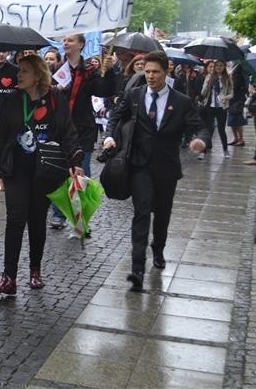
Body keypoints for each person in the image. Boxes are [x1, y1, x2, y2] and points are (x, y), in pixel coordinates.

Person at [103, 51, 208, 291]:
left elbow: (199, 127)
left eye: (155, 72)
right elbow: (115, 118)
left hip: (167, 167)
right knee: (141, 212)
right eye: (147, 71)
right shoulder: (134, 96)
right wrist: (109, 137)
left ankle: (158, 248)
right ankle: (137, 269)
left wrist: (200, 141)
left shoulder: (181, 101)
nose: (150, 76)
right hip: (139, 165)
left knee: (162, 214)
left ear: (166, 72)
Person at [0, 55, 83, 295]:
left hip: (45, 171)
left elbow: (67, 131)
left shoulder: (54, 98)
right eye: (19, 71)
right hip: (16, 170)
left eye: (25, 72)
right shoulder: (11, 100)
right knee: (15, 219)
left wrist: (75, 159)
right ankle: (8, 277)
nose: (19, 75)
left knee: (37, 221)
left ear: (38, 75)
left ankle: (35, 271)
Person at [50, 33, 115, 230]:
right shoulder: (55, 68)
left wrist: (109, 72)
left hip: (82, 129)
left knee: (81, 172)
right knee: (58, 171)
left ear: (81, 45)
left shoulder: (90, 70)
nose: (66, 43)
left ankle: (80, 215)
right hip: (60, 128)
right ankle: (58, 213)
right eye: (64, 40)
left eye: (70, 40)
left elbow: (103, 91)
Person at [198, 59, 233, 158]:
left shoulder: (227, 78)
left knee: (221, 130)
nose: (218, 67)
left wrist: (225, 97)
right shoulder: (209, 77)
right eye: (216, 66)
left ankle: (225, 150)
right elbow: (203, 93)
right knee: (207, 130)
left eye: (221, 65)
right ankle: (203, 151)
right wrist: (208, 84)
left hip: (222, 107)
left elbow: (231, 93)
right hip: (210, 106)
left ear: (224, 67)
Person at [227, 62, 249, 147]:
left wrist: (229, 78)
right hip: (235, 100)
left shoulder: (238, 75)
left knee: (237, 121)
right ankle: (236, 138)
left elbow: (233, 87)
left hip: (236, 101)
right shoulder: (240, 75)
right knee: (233, 120)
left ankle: (240, 139)